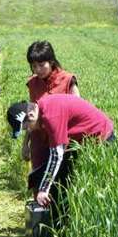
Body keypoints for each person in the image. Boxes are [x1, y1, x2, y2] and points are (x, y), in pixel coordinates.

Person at [7, 94, 114, 221]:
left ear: (30, 116)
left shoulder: (51, 116)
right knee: (60, 181)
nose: (28, 131)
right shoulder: (42, 107)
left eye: (26, 127)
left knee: (79, 186)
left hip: (100, 139)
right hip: (80, 142)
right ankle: (58, 223)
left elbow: (56, 155)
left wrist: (43, 190)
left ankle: (66, 224)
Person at [22, 41, 80, 172]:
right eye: (34, 66)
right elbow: (32, 116)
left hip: (63, 142)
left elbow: (78, 112)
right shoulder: (33, 83)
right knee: (39, 180)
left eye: (41, 65)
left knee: (62, 183)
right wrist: (25, 144)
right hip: (39, 142)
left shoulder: (68, 80)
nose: (37, 70)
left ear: (52, 61)